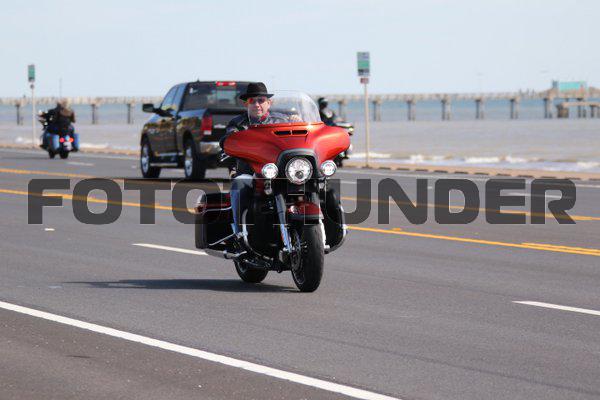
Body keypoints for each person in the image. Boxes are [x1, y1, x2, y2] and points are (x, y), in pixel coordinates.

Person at [220, 82, 293, 242]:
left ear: (269, 103)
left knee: (316, 182)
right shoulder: (238, 123)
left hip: (281, 172)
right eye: (252, 101)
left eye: (261, 100)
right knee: (239, 184)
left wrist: (297, 121)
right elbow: (228, 139)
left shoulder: (282, 120)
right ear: (246, 104)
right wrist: (231, 139)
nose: (257, 104)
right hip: (250, 172)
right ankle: (240, 233)